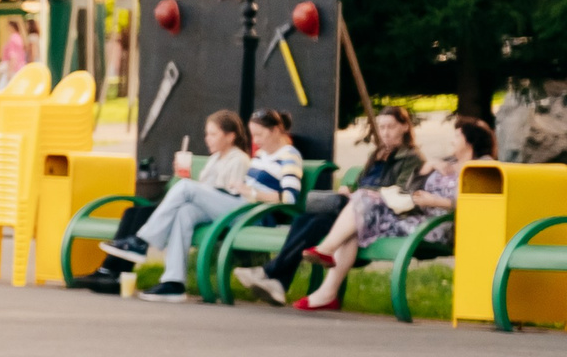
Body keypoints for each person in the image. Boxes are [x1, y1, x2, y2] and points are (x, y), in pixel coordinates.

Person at [286, 115, 491, 311]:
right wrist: (427, 167)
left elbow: (477, 202)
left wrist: (437, 201)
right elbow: (409, 190)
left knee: (360, 212)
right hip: (415, 216)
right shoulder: (446, 162)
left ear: (470, 140)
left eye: (457, 136)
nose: (452, 140)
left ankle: (327, 258)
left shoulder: (483, 165)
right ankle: (327, 292)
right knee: (360, 211)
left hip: (438, 226)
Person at [247, 105, 425, 297]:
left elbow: (402, 193)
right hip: (357, 208)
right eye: (381, 127)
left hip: (379, 214)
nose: (385, 132)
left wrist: (364, 193)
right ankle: (279, 284)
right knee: (306, 221)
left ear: (405, 127)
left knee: (321, 218)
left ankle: (270, 272)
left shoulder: (412, 157)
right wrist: (350, 189)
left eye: (391, 127)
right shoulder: (378, 154)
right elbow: (360, 184)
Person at [96, 110, 257, 301]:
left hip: (236, 211)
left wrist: (190, 186)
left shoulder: (239, 159)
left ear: (230, 136)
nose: (208, 139)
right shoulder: (215, 159)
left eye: (213, 134)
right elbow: (207, 193)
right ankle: (174, 282)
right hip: (218, 209)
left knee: (185, 188)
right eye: (207, 134)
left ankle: (142, 241)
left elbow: (229, 193)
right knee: (185, 212)